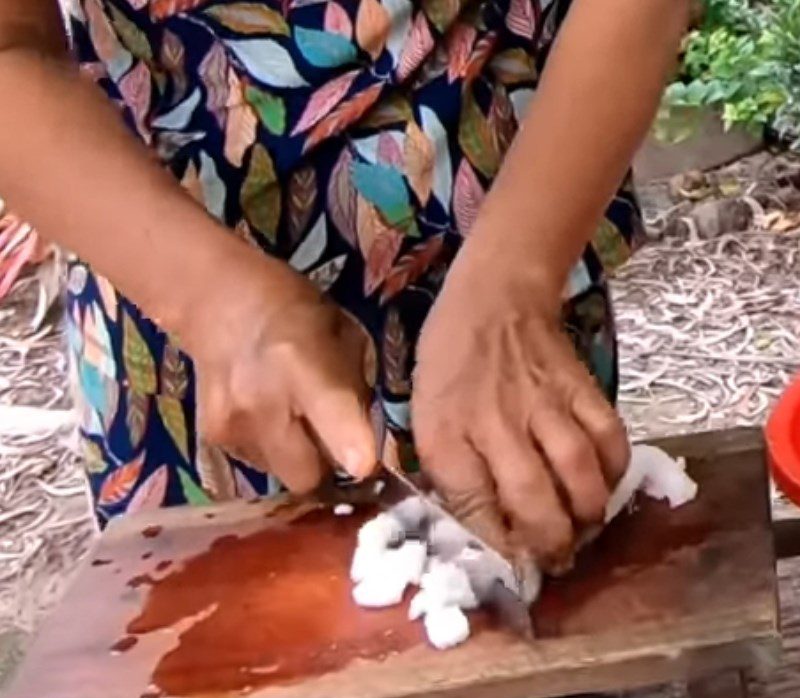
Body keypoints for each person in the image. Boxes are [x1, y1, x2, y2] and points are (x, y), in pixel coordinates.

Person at [0, 0, 688, 574]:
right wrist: (211, 302)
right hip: (178, 303)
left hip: (520, 220)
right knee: (228, 685)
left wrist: (515, 284)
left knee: (555, 646)